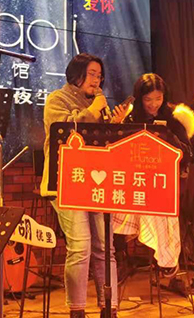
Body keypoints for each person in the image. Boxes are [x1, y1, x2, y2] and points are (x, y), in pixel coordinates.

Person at [41, 53, 129, 318]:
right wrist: (94, 111)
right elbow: (66, 131)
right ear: (76, 74)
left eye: (99, 76)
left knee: (105, 248)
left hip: (96, 182)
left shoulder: (98, 106)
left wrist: (115, 125)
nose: (96, 80)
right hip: (66, 182)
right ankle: (77, 310)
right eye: (91, 74)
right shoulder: (57, 99)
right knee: (80, 247)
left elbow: (103, 145)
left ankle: (109, 308)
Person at [114, 73, 194, 294]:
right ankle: (120, 258)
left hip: (162, 184)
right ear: (139, 98)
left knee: (163, 212)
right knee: (116, 207)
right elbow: (116, 151)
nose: (153, 104)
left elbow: (188, 154)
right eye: (148, 99)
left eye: (158, 99)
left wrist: (168, 136)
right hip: (135, 183)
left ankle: (169, 266)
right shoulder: (132, 119)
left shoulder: (173, 120)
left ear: (164, 97)